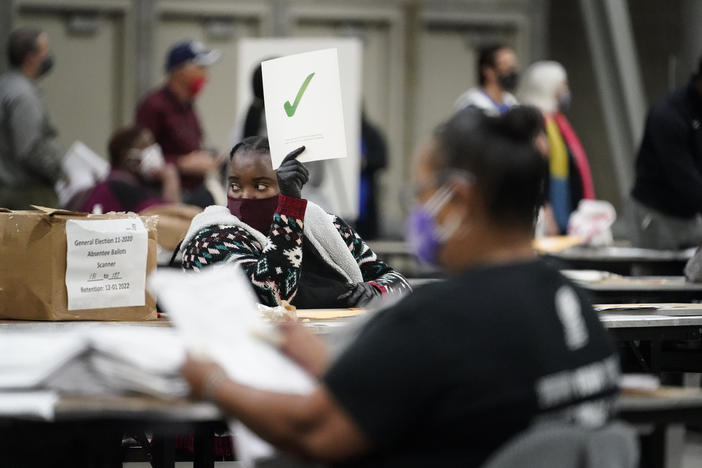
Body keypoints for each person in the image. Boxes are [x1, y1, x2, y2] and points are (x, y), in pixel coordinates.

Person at [181, 108, 620, 467]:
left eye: (422, 193)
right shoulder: (572, 303)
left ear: (459, 201)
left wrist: (215, 382)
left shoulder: (438, 319)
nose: (417, 210)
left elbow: (315, 433)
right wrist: (329, 362)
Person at [180, 136, 410, 308]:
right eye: (235, 186)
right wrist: (289, 207)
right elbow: (270, 293)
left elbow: (399, 282)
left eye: (261, 186)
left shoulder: (325, 226)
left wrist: (376, 291)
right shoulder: (210, 238)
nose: (245, 196)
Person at [136, 40, 223, 208]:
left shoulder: (188, 105)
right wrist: (181, 163)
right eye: (201, 68)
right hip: (165, 199)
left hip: (195, 192)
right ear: (181, 71)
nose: (206, 77)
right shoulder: (153, 106)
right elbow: (140, 157)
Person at [631, 56, 702, 249]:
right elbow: (683, 176)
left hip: (690, 216)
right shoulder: (668, 114)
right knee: (654, 276)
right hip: (656, 214)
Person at [518, 61, 595, 234]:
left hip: (566, 212)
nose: (566, 90)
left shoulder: (557, 121)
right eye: (563, 85)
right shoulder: (532, 121)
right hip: (544, 215)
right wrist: (543, 205)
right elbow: (533, 169)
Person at [0, 27, 63, 209]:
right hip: (26, 194)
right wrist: (59, 172)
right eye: (45, 50)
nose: (49, 56)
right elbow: (29, 150)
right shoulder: (23, 96)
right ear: (31, 57)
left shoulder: (5, 85)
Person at [77, 126, 180, 214]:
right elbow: (169, 217)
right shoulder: (119, 186)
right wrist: (170, 178)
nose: (153, 150)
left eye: (152, 144)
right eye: (145, 145)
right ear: (128, 156)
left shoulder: (118, 182)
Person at [454, 44, 520, 116]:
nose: (512, 72)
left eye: (513, 67)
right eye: (506, 66)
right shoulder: (472, 103)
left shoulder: (511, 102)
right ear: (488, 70)